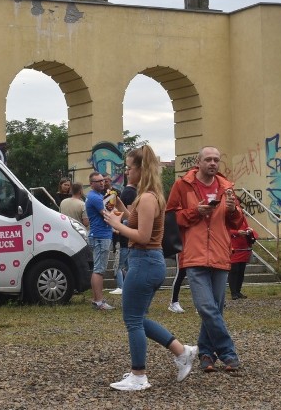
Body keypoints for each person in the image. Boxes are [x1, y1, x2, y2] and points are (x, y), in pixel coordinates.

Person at [101, 146, 198, 391]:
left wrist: (116, 224)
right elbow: (134, 217)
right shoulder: (150, 195)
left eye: (129, 167)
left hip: (144, 260)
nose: (126, 171)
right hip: (149, 262)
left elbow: (142, 235)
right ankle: (182, 351)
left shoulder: (146, 197)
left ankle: (139, 375)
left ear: (140, 169)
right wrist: (121, 209)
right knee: (137, 318)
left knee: (132, 320)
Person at [167, 146, 244, 372]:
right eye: (208, 159)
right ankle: (229, 352)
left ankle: (206, 354)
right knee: (206, 307)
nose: (213, 163)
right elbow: (170, 218)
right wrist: (194, 212)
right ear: (198, 162)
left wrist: (233, 211)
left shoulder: (226, 188)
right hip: (194, 254)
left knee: (215, 309)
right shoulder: (183, 185)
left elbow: (237, 223)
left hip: (220, 254)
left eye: (216, 160)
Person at [85, 171, 114, 310]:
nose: (102, 182)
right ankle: (99, 302)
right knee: (99, 269)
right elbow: (108, 214)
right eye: (98, 181)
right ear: (91, 184)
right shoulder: (95, 197)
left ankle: (98, 300)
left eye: (103, 180)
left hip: (99, 234)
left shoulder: (96, 196)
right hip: (100, 236)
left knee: (98, 269)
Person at [108, 177, 136, 296]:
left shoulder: (119, 212)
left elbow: (125, 223)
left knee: (118, 266)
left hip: (122, 243)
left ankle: (121, 286)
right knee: (128, 265)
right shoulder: (121, 212)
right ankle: (129, 286)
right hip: (125, 242)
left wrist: (116, 228)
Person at [228, 217, 257, 300]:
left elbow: (246, 226)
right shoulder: (228, 217)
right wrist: (237, 232)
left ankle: (238, 291)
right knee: (234, 270)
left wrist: (249, 231)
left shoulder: (242, 217)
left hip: (244, 248)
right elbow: (225, 230)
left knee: (241, 271)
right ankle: (233, 292)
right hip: (234, 248)